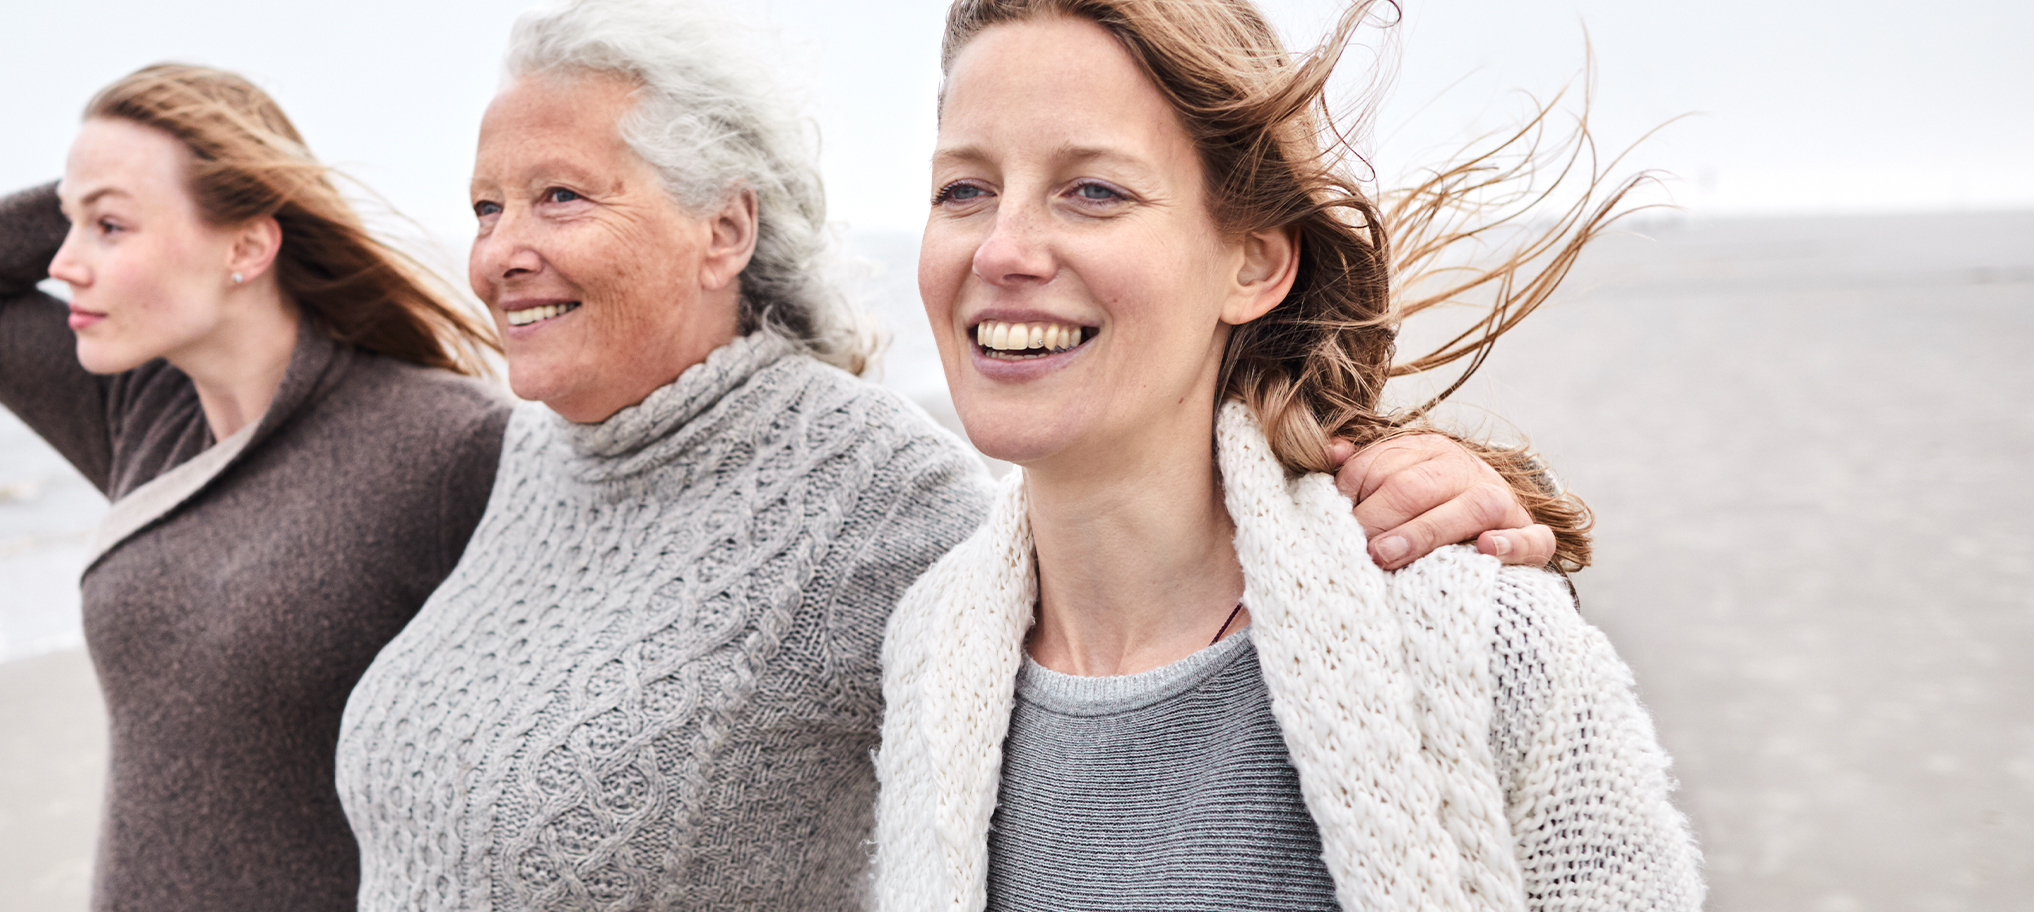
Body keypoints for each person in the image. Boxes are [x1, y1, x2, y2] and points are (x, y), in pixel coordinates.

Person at [323, 0, 1563, 907]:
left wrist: (1432, 495)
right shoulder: (535, 458)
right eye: (486, 208)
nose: (499, 249)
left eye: (559, 198)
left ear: (725, 228)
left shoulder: (866, 497)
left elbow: (1116, 541)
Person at [862, 0, 1704, 908]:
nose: (1003, 249)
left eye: (1094, 190)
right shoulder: (929, 656)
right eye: (963, 190)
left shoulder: (1469, 637)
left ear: (1254, 264)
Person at [0, 63, 515, 912]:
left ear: (247, 246)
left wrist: (197, 169)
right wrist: (99, 180)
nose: (62, 264)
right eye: (67, 226)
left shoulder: (446, 443)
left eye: (109, 228)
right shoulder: (141, 410)